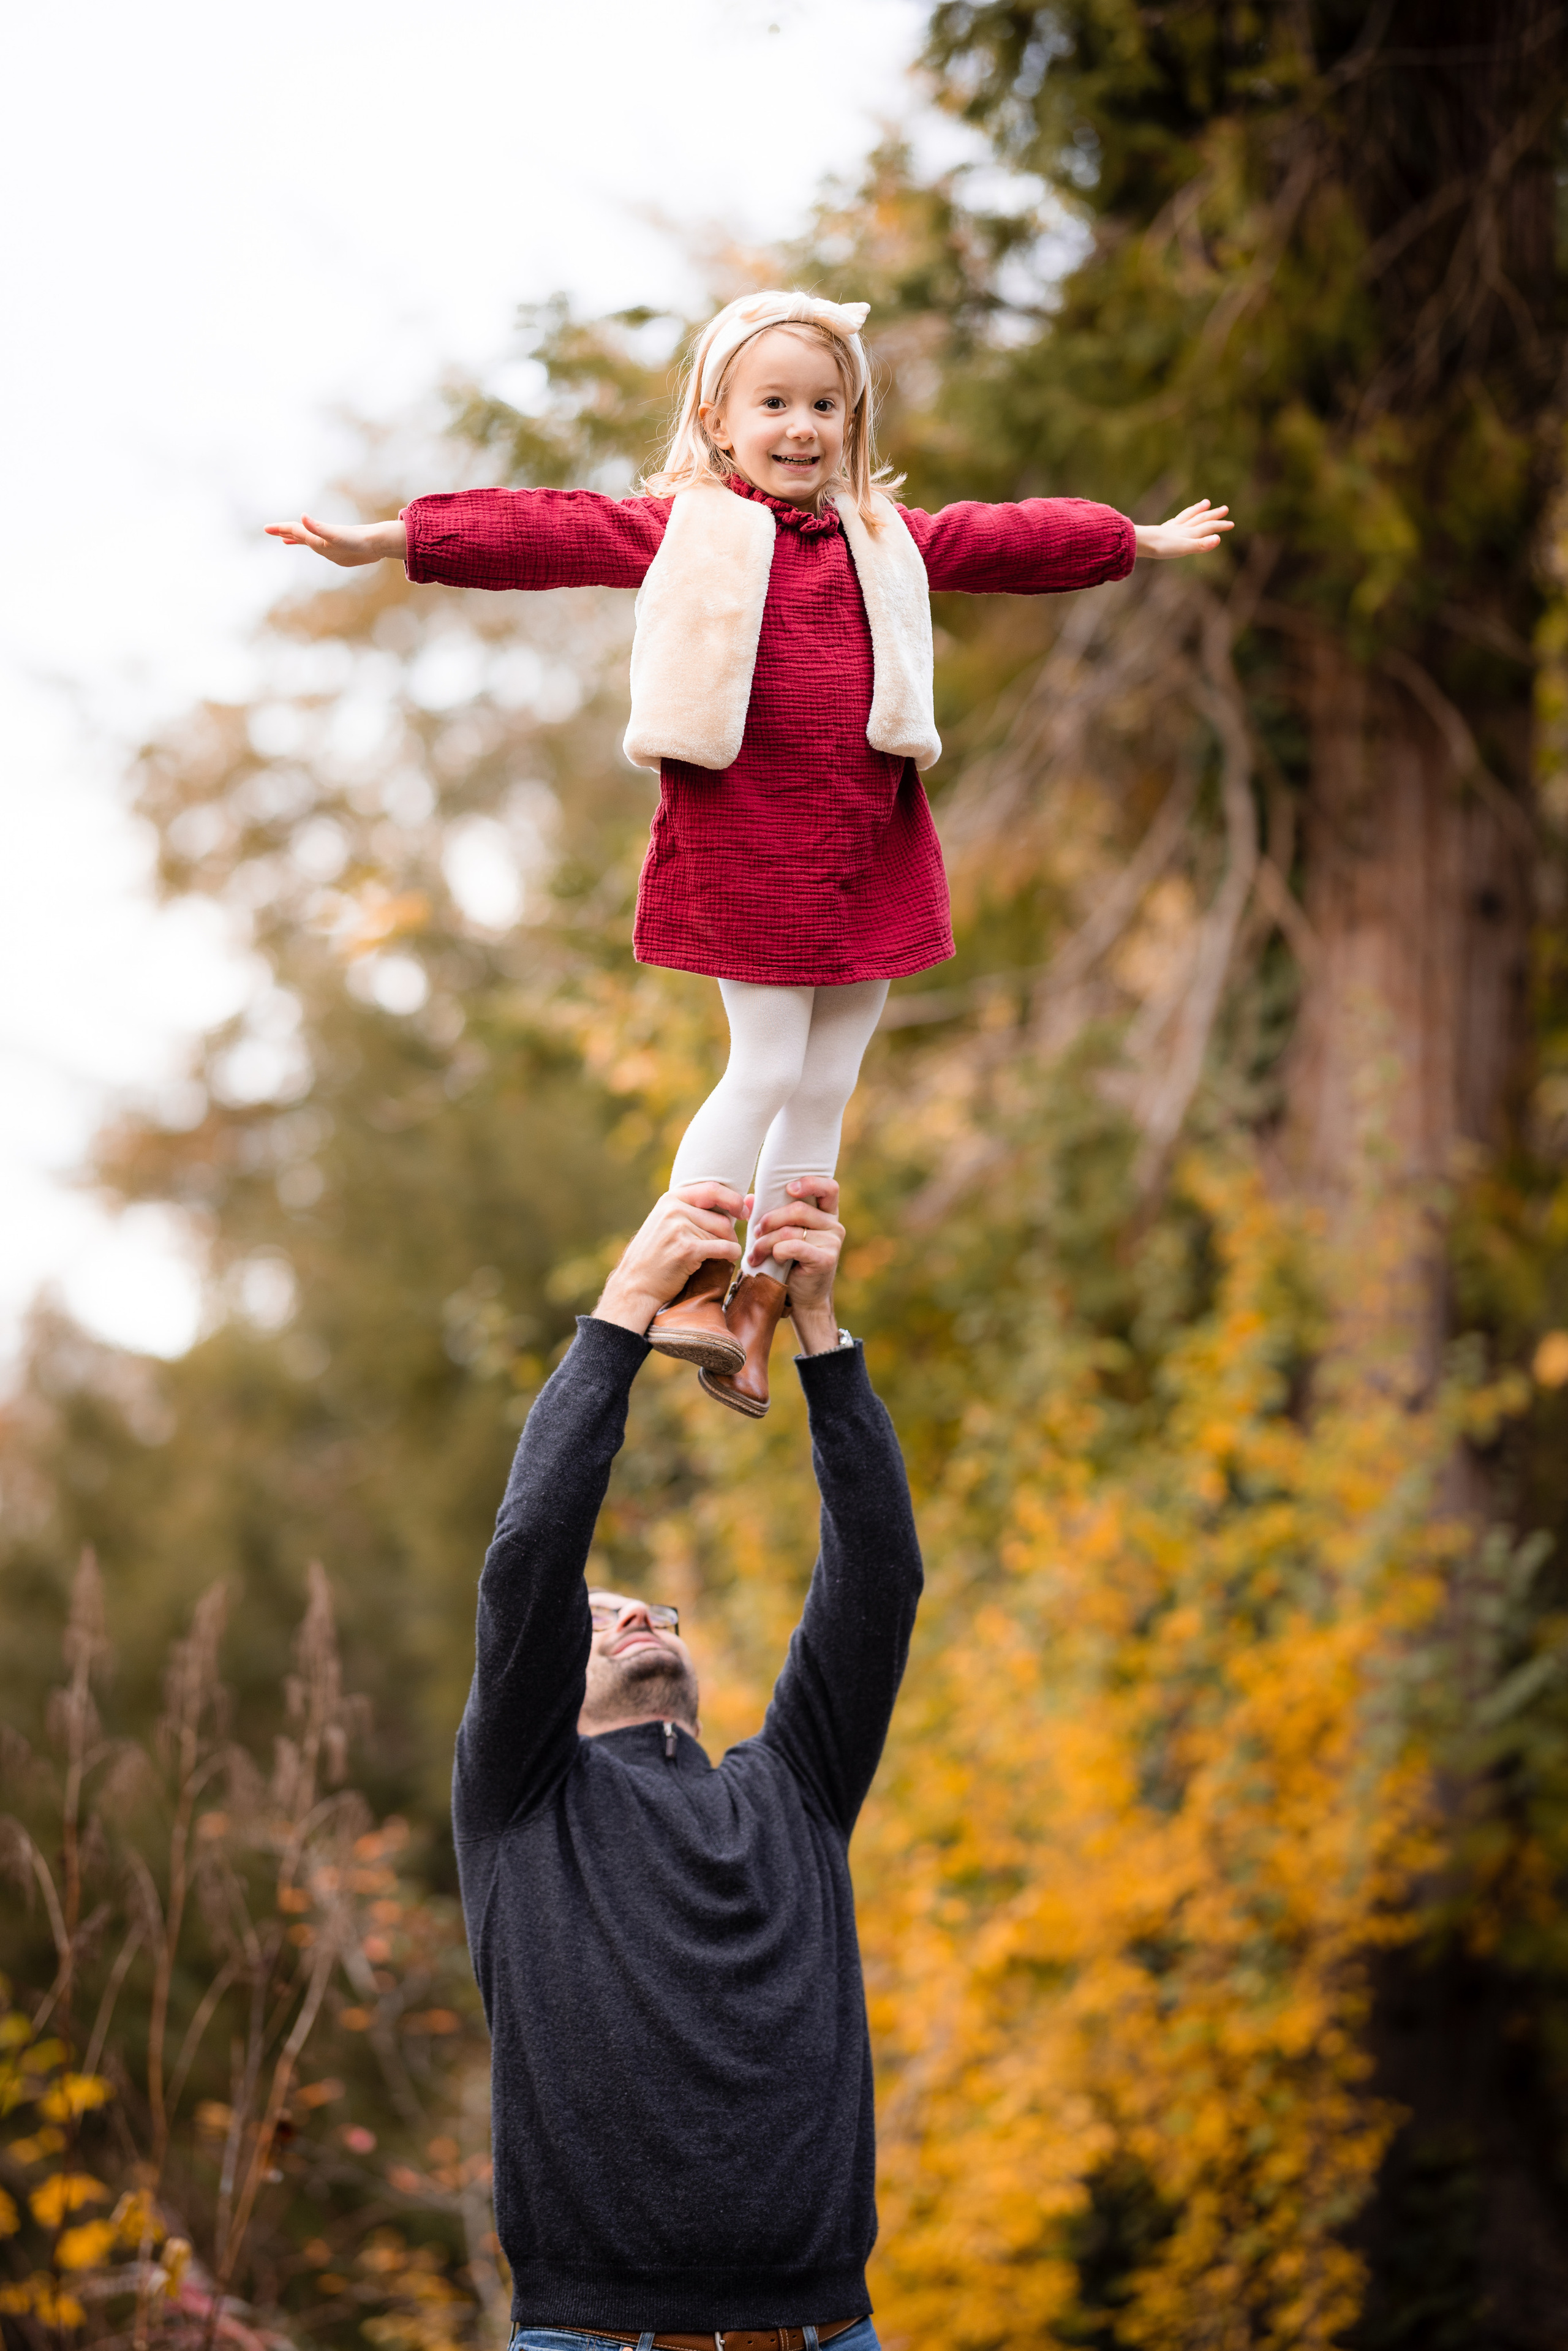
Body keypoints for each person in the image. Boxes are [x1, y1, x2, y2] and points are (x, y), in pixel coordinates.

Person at [268, 289, 1231, 1416]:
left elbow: (1004, 537)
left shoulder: (885, 539)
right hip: (750, 844)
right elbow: (548, 529)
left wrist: (1134, 537)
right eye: (774, 403)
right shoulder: (689, 526)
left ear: (852, 421)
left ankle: (763, 1300)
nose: (802, 426)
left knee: (828, 1079)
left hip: (867, 844)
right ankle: (689, 1271)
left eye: (825, 404)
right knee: (767, 1065)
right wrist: (396, 536)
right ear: (719, 421)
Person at [451, 1173, 918, 2351]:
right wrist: (618, 1317)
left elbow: (880, 1578)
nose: (636, 1618)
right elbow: (530, 1563)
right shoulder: (523, 1800)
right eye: (599, 1614)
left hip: (829, 2331)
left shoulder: (795, 1786)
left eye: (650, 1606)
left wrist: (821, 1333)